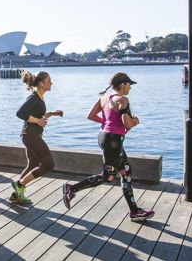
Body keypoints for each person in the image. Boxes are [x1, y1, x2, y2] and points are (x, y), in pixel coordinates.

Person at [61, 73, 155, 221]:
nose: (130, 87)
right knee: (108, 176)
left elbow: (91, 115)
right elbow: (127, 124)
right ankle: (71, 189)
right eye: (129, 84)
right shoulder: (122, 100)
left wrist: (107, 123)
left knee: (126, 172)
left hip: (104, 136)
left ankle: (134, 211)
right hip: (113, 141)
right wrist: (135, 120)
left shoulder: (104, 98)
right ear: (123, 85)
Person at [10, 70, 64, 205]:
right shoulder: (34, 97)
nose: (51, 83)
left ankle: (17, 194)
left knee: (33, 164)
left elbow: (36, 115)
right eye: (49, 81)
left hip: (30, 135)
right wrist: (39, 121)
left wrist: (51, 114)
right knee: (48, 164)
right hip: (31, 135)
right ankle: (20, 184)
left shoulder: (39, 97)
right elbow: (20, 113)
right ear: (41, 83)